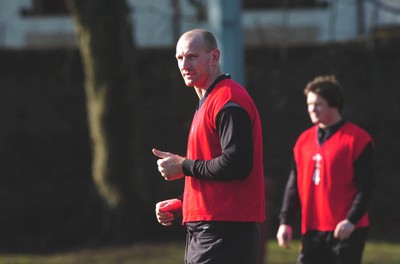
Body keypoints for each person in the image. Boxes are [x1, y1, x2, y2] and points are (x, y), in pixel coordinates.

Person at [153, 29, 265, 264]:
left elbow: (237, 164)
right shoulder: (209, 101)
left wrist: (183, 166)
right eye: (180, 58)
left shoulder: (228, 100)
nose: (184, 64)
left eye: (192, 56)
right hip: (210, 231)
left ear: (214, 57)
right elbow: (215, 171)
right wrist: (186, 205)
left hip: (222, 234)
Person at [276, 75, 375, 264]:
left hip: (346, 230)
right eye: (309, 103)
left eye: (318, 104)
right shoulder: (303, 141)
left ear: (334, 103)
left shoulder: (357, 140)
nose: (311, 109)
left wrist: (351, 220)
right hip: (313, 230)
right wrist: (285, 222)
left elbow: (367, 187)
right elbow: (293, 186)